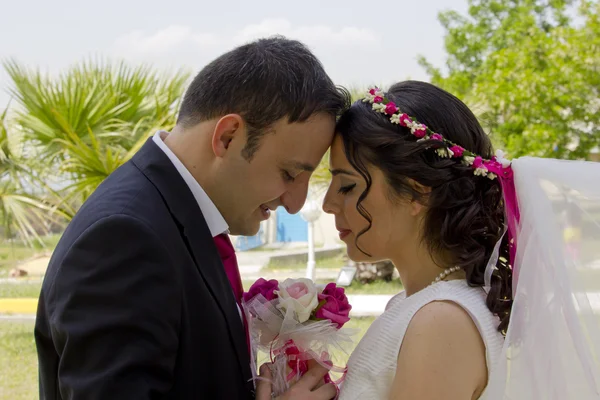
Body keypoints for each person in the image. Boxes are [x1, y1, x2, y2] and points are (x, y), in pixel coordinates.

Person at [35, 36, 348, 400]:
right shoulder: (125, 238)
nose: (295, 204)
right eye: (290, 174)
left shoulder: (176, 217)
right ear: (228, 137)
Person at [322, 80, 600, 399]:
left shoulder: (440, 323)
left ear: (416, 192)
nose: (327, 204)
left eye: (346, 187)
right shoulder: (420, 306)